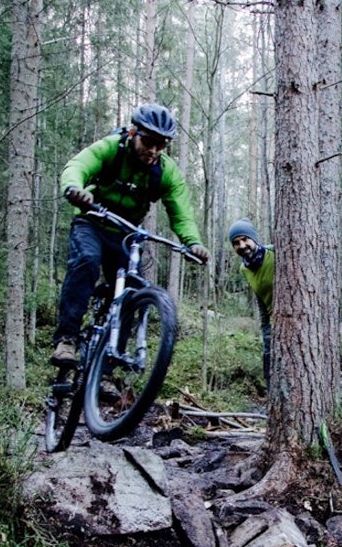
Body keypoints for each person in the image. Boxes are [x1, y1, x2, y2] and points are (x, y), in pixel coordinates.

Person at [50, 103, 210, 367]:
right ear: (134, 132)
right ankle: (66, 339)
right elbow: (78, 165)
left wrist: (193, 243)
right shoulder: (112, 148)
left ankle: (107, 371)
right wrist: (74, 188)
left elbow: (181, 212)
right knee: (87, 260)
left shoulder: (166, 172)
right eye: (149, 142)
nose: (154, 150)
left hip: (126, 232)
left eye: (162, 145)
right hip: (92, 220)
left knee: (131, 293)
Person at [227, 218, 275, 385]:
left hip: (294, 317)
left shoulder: (274, 253)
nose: (241, 245)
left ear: (254, 238)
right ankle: (271, 398)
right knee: (268, 357)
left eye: (245, 239)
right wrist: (265, 328)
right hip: (271, 319)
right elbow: (260, 296)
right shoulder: (244, 268)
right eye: (236, 243)